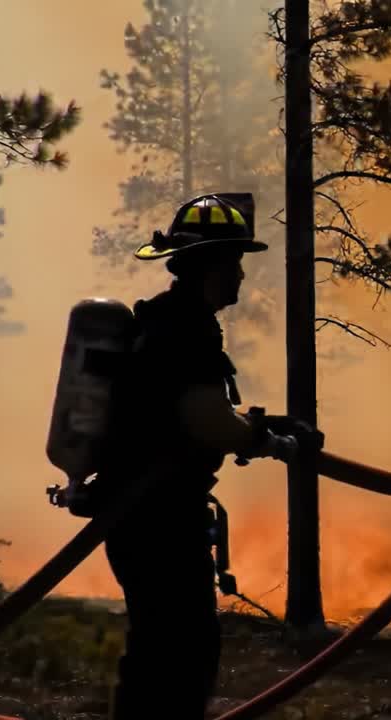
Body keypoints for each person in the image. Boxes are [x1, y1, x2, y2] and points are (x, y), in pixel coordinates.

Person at [98, 193, 306, 720]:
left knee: (156, 653)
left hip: (141, 512)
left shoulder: (166, 321)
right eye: (234, 261)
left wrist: (265, 426)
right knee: (181, 657)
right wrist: (268, 443)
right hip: (159, 518)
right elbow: (207, 420)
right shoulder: (187, 327)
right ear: (211, 265)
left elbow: (186, 412)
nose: (240, 274)